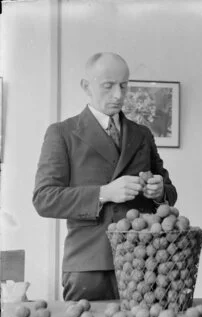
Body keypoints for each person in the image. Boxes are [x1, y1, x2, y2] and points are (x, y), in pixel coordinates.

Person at [32, 52, 177, 301]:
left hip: (143, 261)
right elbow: (44, 199)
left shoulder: (142, 134)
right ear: (86, 87)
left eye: (124, 85)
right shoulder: (62, 133)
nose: (119, 95)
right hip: (88, 264)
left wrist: (159, 191)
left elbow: (169, 193)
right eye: (108, 86)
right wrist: (104, 192)